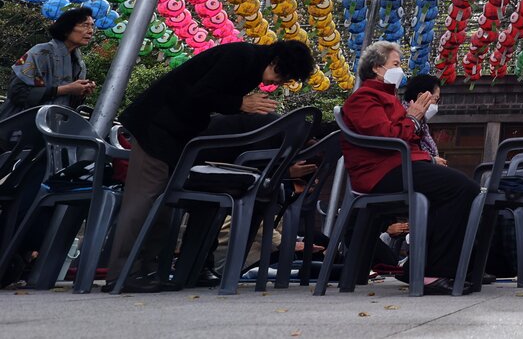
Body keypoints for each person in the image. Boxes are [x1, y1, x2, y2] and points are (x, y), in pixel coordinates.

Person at [106, 39, 315, 291]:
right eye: (283, 76)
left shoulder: (250, 67)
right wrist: (241, 104)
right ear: (276, 62)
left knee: (162, 205)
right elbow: (201, 93)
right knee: (144, 201)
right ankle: (122, 274)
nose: (277, 84)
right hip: (156, 126)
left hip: (176, 134)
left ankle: (145, 270)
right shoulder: (241, 57)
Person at [341, 41, 474, 294]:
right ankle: (432, 272)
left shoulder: (387, 98)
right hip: (382, 170)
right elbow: (387, 137)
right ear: (378, 68)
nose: (400, 69)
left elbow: (406, 136)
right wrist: (412, 117)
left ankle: (422, 268)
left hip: (400, 164)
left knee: (465, 188)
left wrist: (414, 122)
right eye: (396, 64)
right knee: (460, 188)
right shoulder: (364, 98)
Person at [0, 5, 97, 118]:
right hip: (20, 123)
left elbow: (69, 105)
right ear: (66, 29)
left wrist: (81, 92)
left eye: (92, 26)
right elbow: (17, 92)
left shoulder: (79, 64)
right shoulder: (41, 53)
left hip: (52, 128)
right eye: (85, 25)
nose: (90, 31)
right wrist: (66, 89)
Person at [401, 73, 446, 165]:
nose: (436, 104)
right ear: (421, 96)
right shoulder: (407, 117)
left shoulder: (421, 122)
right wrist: (431, 160)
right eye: (436, 99)